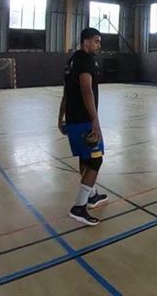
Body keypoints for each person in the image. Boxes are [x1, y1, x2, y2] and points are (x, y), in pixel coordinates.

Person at [58, 27, 108, 226]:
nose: (98, 45)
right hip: (85, 120)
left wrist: (60, 117)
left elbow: (66, 93)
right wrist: (95, 121)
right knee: (96, 161)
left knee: (85, 158)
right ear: (85, 41)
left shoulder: (71, 61)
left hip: (72, 119)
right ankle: (79, 207)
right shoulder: (86, 60)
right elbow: (86, 88)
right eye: (96, 41)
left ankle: (92, 195)